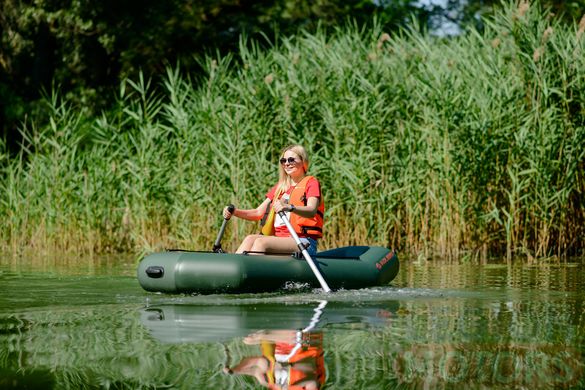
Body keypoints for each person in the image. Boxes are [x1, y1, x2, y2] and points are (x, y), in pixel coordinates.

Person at [223, 144, 324, 256]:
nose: (287, 163)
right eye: (283, 160)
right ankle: (238, 270)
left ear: (303, 162)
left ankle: (253, 272)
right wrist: (234, 212)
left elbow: (311, 210)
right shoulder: (280, 188)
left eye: (291, 160)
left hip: (304, 241)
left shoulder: (311, 183)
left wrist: (290, 207)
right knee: (250, 238)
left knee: (261, 242)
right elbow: (258, 213)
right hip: (279, 239)